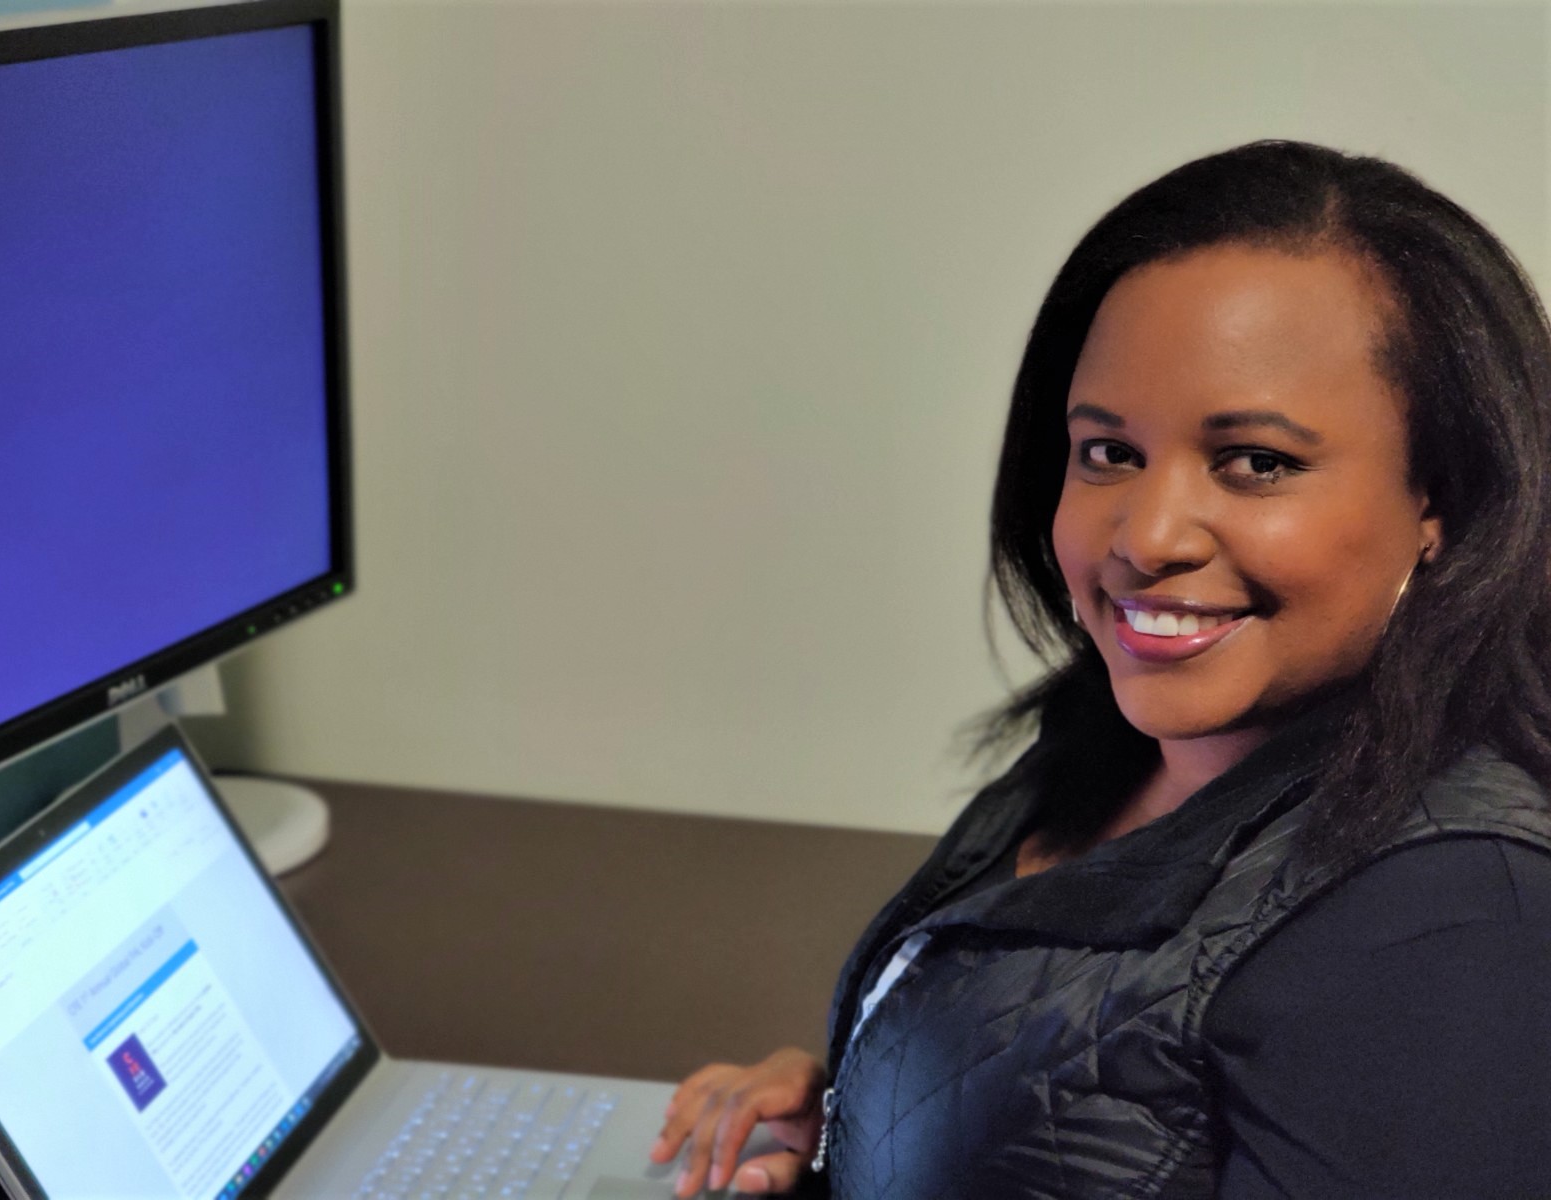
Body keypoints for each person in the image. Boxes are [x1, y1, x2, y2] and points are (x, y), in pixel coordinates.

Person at [649, 140, 1551, 1198]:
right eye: (1108, 452)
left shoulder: (1449, 912)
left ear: (1439, 500)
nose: (1148, 533)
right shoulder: (1117, 742)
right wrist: (856, 1130)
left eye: (1255, 463)